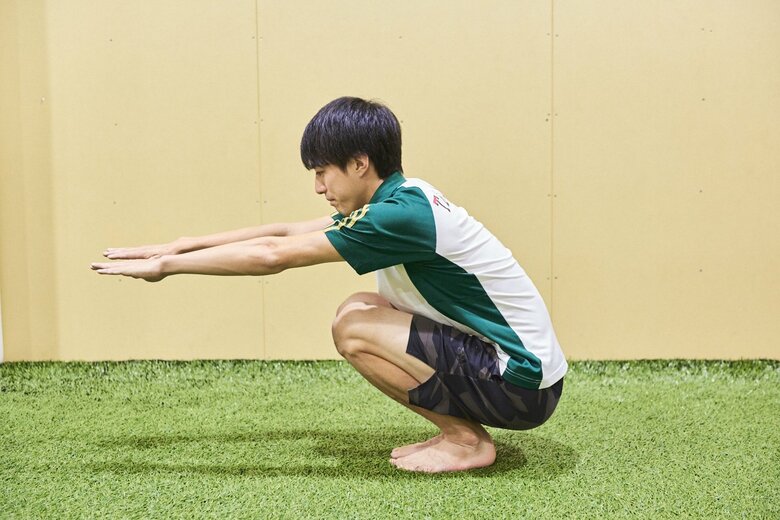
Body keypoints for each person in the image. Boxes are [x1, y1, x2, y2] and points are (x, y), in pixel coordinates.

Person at [91, 96, 567, 473]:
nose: (319, 187)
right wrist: (179, 246)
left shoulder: (396, 217)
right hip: (524, 374)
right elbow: (283, 232)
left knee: (354, 328)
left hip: (522, 386)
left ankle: (465, 442)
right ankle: (461, 434)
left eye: (323, 172)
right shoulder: (404, 197)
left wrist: (167, 268)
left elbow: (273, 256)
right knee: (359, 306)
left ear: (359, 164)